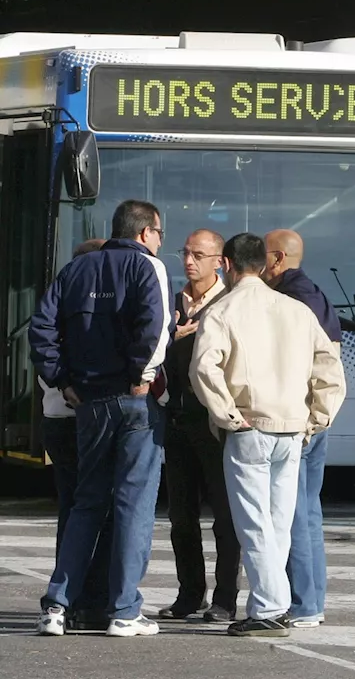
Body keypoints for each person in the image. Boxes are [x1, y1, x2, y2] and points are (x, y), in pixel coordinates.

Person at [189, 233, 345, 637]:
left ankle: (269, 607)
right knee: (278, 522)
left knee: (253, 522)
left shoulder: (223, 310)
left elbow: (203, 368)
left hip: (249, 426)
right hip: (293, 428)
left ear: (226, 263)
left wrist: (226, 414)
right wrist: (318, 418)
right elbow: (330, 368)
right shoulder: (296, 311)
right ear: (263, 263)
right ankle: (272, 603)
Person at [29, 201, 172, 638]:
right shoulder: (149, 267)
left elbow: (41, 329)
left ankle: (57, 607)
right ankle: (125, 610)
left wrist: (62, 380)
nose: (161, 241)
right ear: (146, 231)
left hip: (87, 402)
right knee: (133, 504)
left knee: (86, 503)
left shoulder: (76, 270)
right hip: (132, 401)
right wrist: (140, 375)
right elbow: (156, 326)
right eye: (160, 232)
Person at [158, 228, 241, 623]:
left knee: (225, 516)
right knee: (181, 516)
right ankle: (189, 594)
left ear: (219, 262)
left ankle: (225, 598)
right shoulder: (172, 304)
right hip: (176, 419)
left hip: (216, 423)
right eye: (185, 253)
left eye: (199, 255)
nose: (189, 261)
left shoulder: (231, 304)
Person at [263, 228, 342, 629]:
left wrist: (309, 421)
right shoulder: (316, 293)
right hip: (317, 417)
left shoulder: (289, 299)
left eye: (262, 257)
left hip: (298, 419)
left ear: (277, 260)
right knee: (308, 512)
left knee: (291, 512)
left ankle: (302, 602)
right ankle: (312, 602)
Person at [39, 238, 111, 632]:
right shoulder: (91, 310)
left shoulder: (58, 300)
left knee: (73, 509)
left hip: (56, 420)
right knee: (96, 510)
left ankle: (67, 599)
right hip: (84, 417)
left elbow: (42, 351)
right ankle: (85, 599)